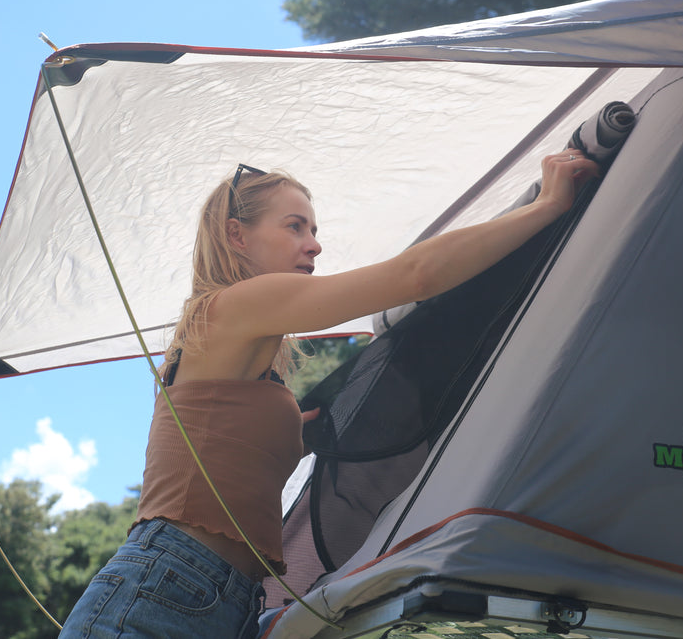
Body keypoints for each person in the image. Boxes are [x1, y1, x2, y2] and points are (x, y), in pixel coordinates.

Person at [58, 150, 599, 639]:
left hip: (223, 599)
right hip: (168, 584)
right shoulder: (231, 306)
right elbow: (415, 274)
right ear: (236, 235)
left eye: (313, 230)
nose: (314, 244)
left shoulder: (253, 368)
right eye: (294, 227)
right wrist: (546, 206)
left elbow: (230, 457)